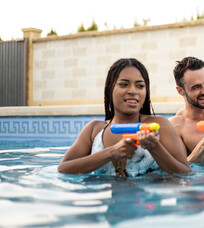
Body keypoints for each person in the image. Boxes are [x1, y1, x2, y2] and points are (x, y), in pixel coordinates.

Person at [58, 58, 191, 177]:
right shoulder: (94, 129)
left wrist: (155, 148)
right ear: (110, 88)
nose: (133, 91)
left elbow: (185, 172)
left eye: (140, 86)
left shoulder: (160, 125)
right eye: (124, 84)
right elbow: (64, 168)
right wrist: (110, 153)